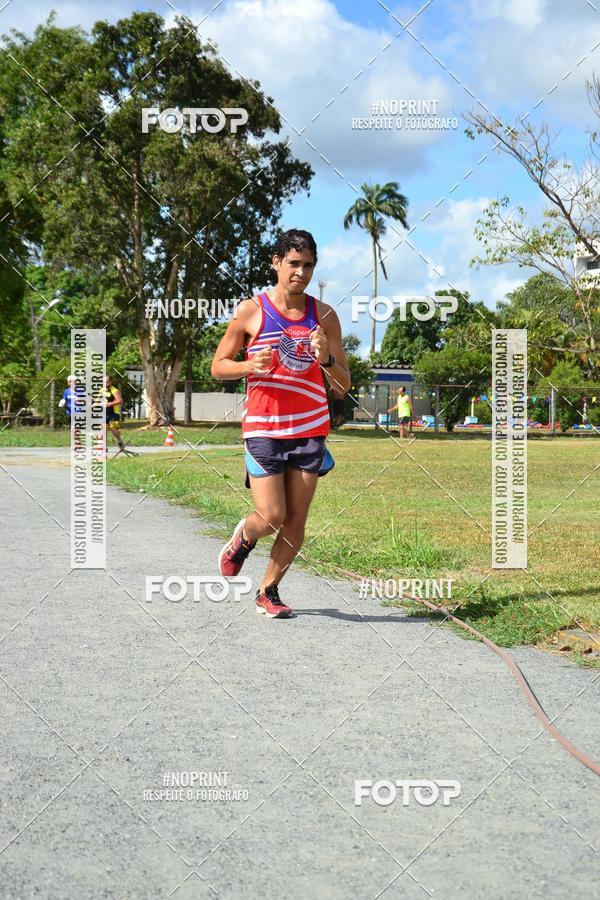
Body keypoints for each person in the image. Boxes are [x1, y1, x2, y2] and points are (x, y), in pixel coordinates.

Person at [211, 228, 351, 618]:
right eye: (293, 263)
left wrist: (326, 361)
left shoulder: (324, 316)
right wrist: (246, 365)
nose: (300, 273)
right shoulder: (250, 311)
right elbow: (217, 365)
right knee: (271, 516)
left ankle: (268, 590)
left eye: (308, 265)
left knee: (296, 519)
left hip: (309, 428)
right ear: (276, 263)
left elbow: (342, 386)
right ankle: (244, 536)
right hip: (264, 428)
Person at [59, 374, 84, 449]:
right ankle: (77, 443)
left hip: (78, 411)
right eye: (70, 381)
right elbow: (64, 399)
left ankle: (77, 443)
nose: (72, 383)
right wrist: (62, 402)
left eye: (73, 381)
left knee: (75, 428)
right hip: (69, 412)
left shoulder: (81, 390)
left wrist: (80, 400)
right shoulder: (66, 391)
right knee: (73, 428)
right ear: (68, 382)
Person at [104, 375, 126, 452]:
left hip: (113, 413)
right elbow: (98, 399)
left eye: (106, 382)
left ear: (110, 382)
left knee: (113, 429)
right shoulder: (101, 390)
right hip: (104, 413)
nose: (105, 384)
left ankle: (119, 440)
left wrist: (110, 404)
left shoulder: (115, 391)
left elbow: (120, 401)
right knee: (104, 428)